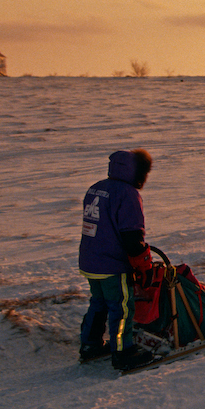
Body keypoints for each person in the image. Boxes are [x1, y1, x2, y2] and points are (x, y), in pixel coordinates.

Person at [78, 149, 156, 370]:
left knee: (99, 302)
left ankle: (89, 345)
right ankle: (123, 352)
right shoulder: (127, 194)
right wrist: (143, 265)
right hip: (112, 264)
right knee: (121, 307)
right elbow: (132, 236)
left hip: (90, 260)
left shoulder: (96, 188)